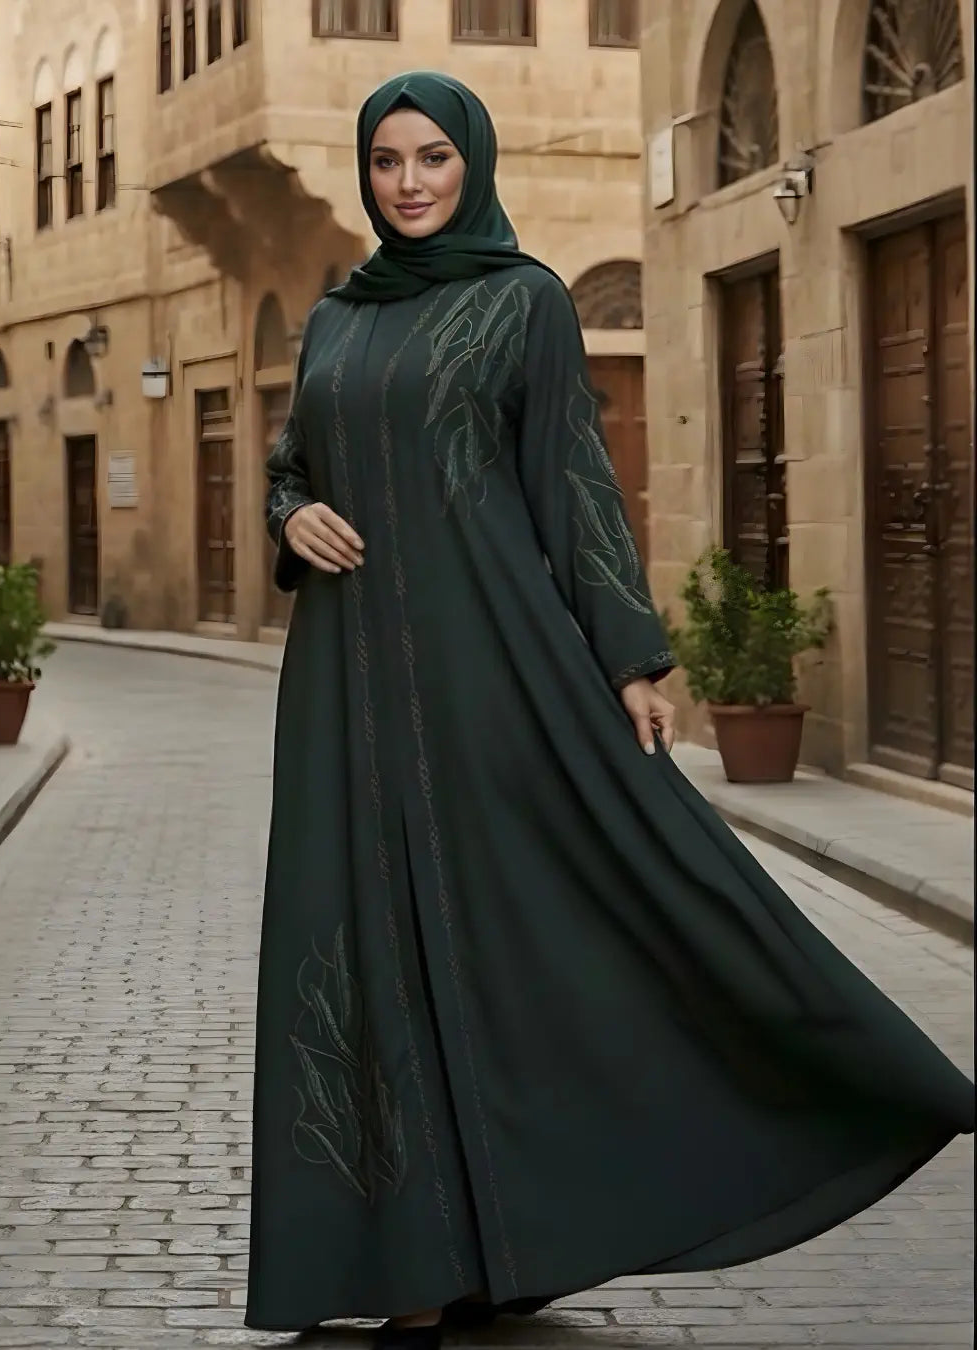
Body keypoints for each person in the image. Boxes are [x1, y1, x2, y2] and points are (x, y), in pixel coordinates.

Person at [245, 71, 974, 1348]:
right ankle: (407, 1248)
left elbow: (571, 480)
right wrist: (286, 520)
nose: (408, 183)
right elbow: (293, 468)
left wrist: (631, 657)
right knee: (359, 938)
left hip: (492, 674)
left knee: (535, 923)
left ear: (471, 164)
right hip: (346, 690)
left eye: (432, 159)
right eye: (386, 162)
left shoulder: (520, 303)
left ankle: (803, 1096)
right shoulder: (333, 323)